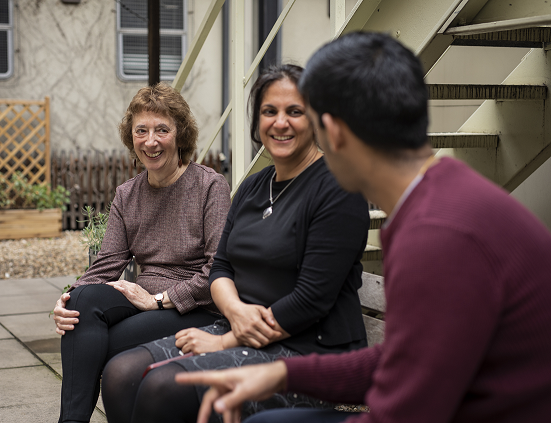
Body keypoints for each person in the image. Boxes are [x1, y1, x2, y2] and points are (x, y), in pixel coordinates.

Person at [176, 32, 551, 423]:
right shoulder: (443, 196)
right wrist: (283, 373)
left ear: (332, 131)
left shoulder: (437, 234)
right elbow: (405, 358)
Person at [100, 64, 371, 423]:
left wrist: (229, 341)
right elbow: (222, 266)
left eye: (295, 111)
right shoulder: (255, 187)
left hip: (308, 351)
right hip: (237, 326)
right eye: (269, 111)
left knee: (164, 387)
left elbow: (312, 299)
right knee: (121, 374)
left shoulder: (338, 189)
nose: (280, 122)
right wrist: (235, 314)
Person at [52, 82, 231, 423]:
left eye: (162, 129)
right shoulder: (128, 194)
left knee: (100, 345)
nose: (151, 141)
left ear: (180, 135)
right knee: (82, 303)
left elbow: (217, 269)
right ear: (131, 138)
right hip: (144, 302)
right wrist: (66, 301)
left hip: (197, 308)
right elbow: (106, 265)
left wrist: (159, 300)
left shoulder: (210, 186)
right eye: (142, 131)